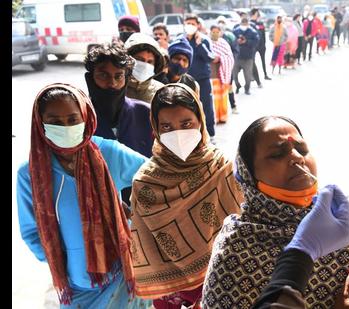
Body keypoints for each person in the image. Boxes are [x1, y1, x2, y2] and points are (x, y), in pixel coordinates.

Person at [200, 116, 349, 308]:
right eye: (277, 154)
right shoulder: (235, 252)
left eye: (302, 149)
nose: (297, 157)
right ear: (249, 176)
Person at [16, 83, 151, 308]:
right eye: (55, 122)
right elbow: (31, 231)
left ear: (85, 117)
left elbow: (155, 178)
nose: (66, 127)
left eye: (72, 119)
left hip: (122, 274)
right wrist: (59, 263)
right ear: (40, 124)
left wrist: (135, 212)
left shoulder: (108, 152)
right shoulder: (30, 174)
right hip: (75, 285)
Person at [129, 83, 243, 309]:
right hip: (171, 292)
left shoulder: (222, 167)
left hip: (222, 279)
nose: (178, 134)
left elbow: (239, 229)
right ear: (156, 129)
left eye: (186, 124)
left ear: (200, 120)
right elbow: (148, 247)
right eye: (167, 127)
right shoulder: (145, 183)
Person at [252, 185, 349, 309]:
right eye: (275, 161)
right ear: (247, 172)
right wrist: (301, 251)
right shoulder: (236, 248)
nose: (297, 162)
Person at [84, 42, 153, 157]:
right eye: (103, 75)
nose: (112, 83)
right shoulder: (80, 118)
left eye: (118, 76)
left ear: (126, 78)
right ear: (90, 78)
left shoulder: (146, 113)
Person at [183, 14, 217, 139]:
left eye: (193, 24)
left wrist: (199, 44)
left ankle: (210, 134)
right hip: (185, 79)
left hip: (202, 79)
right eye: (188, 23)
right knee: (187, 107)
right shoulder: (181, 39)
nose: (190, 26)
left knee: (206, 106)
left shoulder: (204, 40)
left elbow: (209, 58)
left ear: (198, 25)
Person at [124, 32, 166, 104]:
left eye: (150, 62)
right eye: (139, 59)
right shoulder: (117, 87)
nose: (145, 65)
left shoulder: (161, 92)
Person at [210, 25, 235, 123]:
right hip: (212, 75)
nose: (215, 34)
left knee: (223, 97)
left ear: (220, 33)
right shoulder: (207, 43)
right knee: (214, 99)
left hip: (223, 75)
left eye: (217, 32)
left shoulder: (224, 43)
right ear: (210, 32)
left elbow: (229, 57)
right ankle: (215, 117)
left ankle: (223, 117)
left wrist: (220, 58)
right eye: (213, 32)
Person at [233, 17, 260, 95]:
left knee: (248, 75)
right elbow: (231, 41)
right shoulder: (236, 31)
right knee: (234, 74)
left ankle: (247, 89)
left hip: (248, 57)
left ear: (248, 23)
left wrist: (246, 41)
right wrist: (237, 41)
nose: (244, 25)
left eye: (245, 23)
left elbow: (256, 42)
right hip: (237, 57)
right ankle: (237, 85)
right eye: (243, 23)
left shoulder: (253, 32)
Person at [250, 8, 271, 82]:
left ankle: (265, 74)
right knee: (252, 61)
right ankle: (252, 76)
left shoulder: (260, 23)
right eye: (256, 13)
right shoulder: (250, 24)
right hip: (254, 46)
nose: (258, 14)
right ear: (253, 14)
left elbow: (264, 35)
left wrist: (264, 44)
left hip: (261, 46)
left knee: (263, 61)